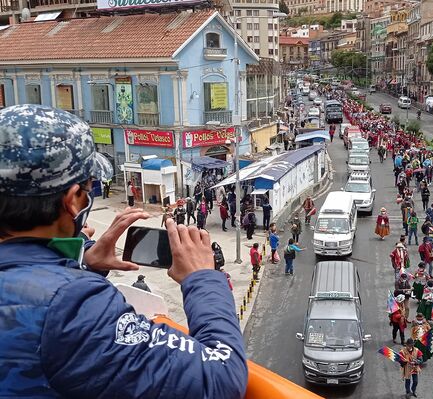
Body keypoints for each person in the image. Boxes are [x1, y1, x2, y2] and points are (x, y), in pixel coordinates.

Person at [0, 105, 247, 398]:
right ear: (73, 202)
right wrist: (203, 279)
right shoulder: (74, 307)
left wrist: (84, 263)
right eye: (90, 187)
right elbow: (220, 378)